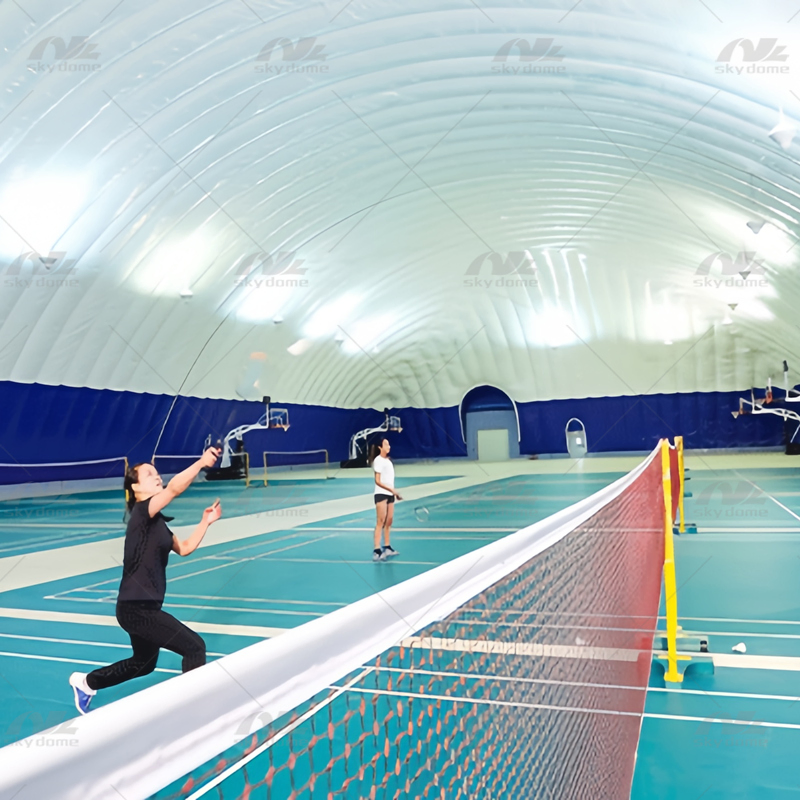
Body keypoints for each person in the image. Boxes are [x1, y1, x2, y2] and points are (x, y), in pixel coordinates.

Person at [68, 447, 222, 714]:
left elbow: (184, 548)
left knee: (144, 663)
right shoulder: (141, 513)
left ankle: (86, 682)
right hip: (135, 608)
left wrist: (205, 522)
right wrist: (200, 463)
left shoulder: (158, 523)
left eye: (156, 472)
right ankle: (195, 712)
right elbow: (174, 489)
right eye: (149, 474)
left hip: (145, 608)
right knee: (195, 647)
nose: (157, 476)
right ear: (135, 488)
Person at [369, 438, 402, 562]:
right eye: (386, 444)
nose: (389, 446)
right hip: (381, 494)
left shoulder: (388, 461)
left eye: (389, 444)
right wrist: (391, 490)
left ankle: (387, 547)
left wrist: (393, 492)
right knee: (380, 521)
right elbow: (377, 481)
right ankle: (377, 550)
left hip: (390, 494)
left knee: (389, 521)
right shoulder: (378, 461)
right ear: (380, 447)